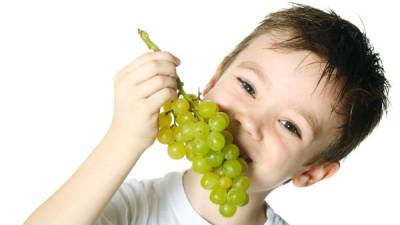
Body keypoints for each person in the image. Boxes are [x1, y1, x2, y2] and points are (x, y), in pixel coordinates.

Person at [23, 3, 390, 225]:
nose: (250, 120)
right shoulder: (133, 206)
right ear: (214, 80)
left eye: (290, 125)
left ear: (311, 172)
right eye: (247, 87)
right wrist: (123, 140)